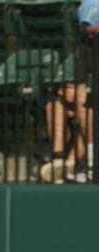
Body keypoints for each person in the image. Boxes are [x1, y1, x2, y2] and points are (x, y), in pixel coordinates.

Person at [41, 0, 97, 183]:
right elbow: (81, 80)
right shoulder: (86, 44)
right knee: (58, 105)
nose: (90, 38)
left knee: (87, 103)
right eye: (87, 33)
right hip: (92, 99)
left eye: (94, 33)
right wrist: (70, 91)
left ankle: (82, 160)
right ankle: (64, 159)